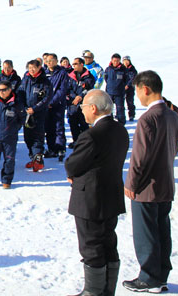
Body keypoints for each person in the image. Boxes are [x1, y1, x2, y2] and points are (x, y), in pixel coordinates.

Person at [123, 70, 178, 293]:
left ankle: (149, 277)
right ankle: (160, 274)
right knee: (161, 230)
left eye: (138, 90)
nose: (137, 95)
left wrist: (131, 183)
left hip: (147, 186)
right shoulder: (172, 115)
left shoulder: (148, 118)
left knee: (146, 233)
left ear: (145, 89)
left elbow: (140, 158)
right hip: (166, 181)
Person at [64, 90, 129, 296]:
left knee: (91, 246)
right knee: (108, 243)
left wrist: (74, 173)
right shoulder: (120, 130)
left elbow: (72, 164)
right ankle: (106, 290)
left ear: (93, 108)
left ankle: (93, 291)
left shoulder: (91, 135)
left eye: (83, 106)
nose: (82, 110)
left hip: (90, 199)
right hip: (111, 196)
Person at [19, 59, 53, 172]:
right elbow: (20, 94)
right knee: (27, 137)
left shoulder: (45, 82)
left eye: (34, 68)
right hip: (27, 113)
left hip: (39, 113)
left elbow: (47, 98)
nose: (31, 70)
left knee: (37, 136)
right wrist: (24, 107)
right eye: (29, 68)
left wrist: (35, 108)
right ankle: (33, 157)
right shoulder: (26, 79)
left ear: (39, 68)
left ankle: (38, 159)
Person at [44, 53, 69, 161]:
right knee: (48, 127)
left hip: (57, 104)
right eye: (47, 61)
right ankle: (51, 148)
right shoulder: (44, 73)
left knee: (58, 126)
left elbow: (62, 90)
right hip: (46, 105)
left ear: (56, 61)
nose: (49, 63)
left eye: (51, 60)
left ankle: (60, 148)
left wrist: (52, 101)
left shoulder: (62, 73)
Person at [67, 58, 96, 148]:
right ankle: (76, 140)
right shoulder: (70, 76)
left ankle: (85, 141)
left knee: (84, 123)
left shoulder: (88, 76)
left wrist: (80, 97)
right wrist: (73, 97)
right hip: (72, 103)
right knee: (73, 123)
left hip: (84, 103)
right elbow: (68, 89)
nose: (74, 66)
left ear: (81, 64)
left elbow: (88, 88)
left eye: (76, 64)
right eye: (73, 64)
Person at [103, 53, 127, 124]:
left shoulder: (123, 70)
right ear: (111, 60)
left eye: (117, 61)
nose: (115, 62)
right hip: (109, 92)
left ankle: (121, 124)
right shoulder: (108, 69)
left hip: (119, 93)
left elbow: (126, 79)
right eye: (114, 60)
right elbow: (106, 78)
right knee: (109, 109)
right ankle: (109, 123)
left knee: (120, 109)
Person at [122, 56, 138, 121]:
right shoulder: (121, 68)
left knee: (130, 102)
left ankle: (131, 115)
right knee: (120, 102)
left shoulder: (133, 69)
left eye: (127, 61)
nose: (126, 62)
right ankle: (120, 115)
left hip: (130, 88)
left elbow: (133, 78)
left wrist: (128, 85)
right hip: (121, 88)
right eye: (124, 61)